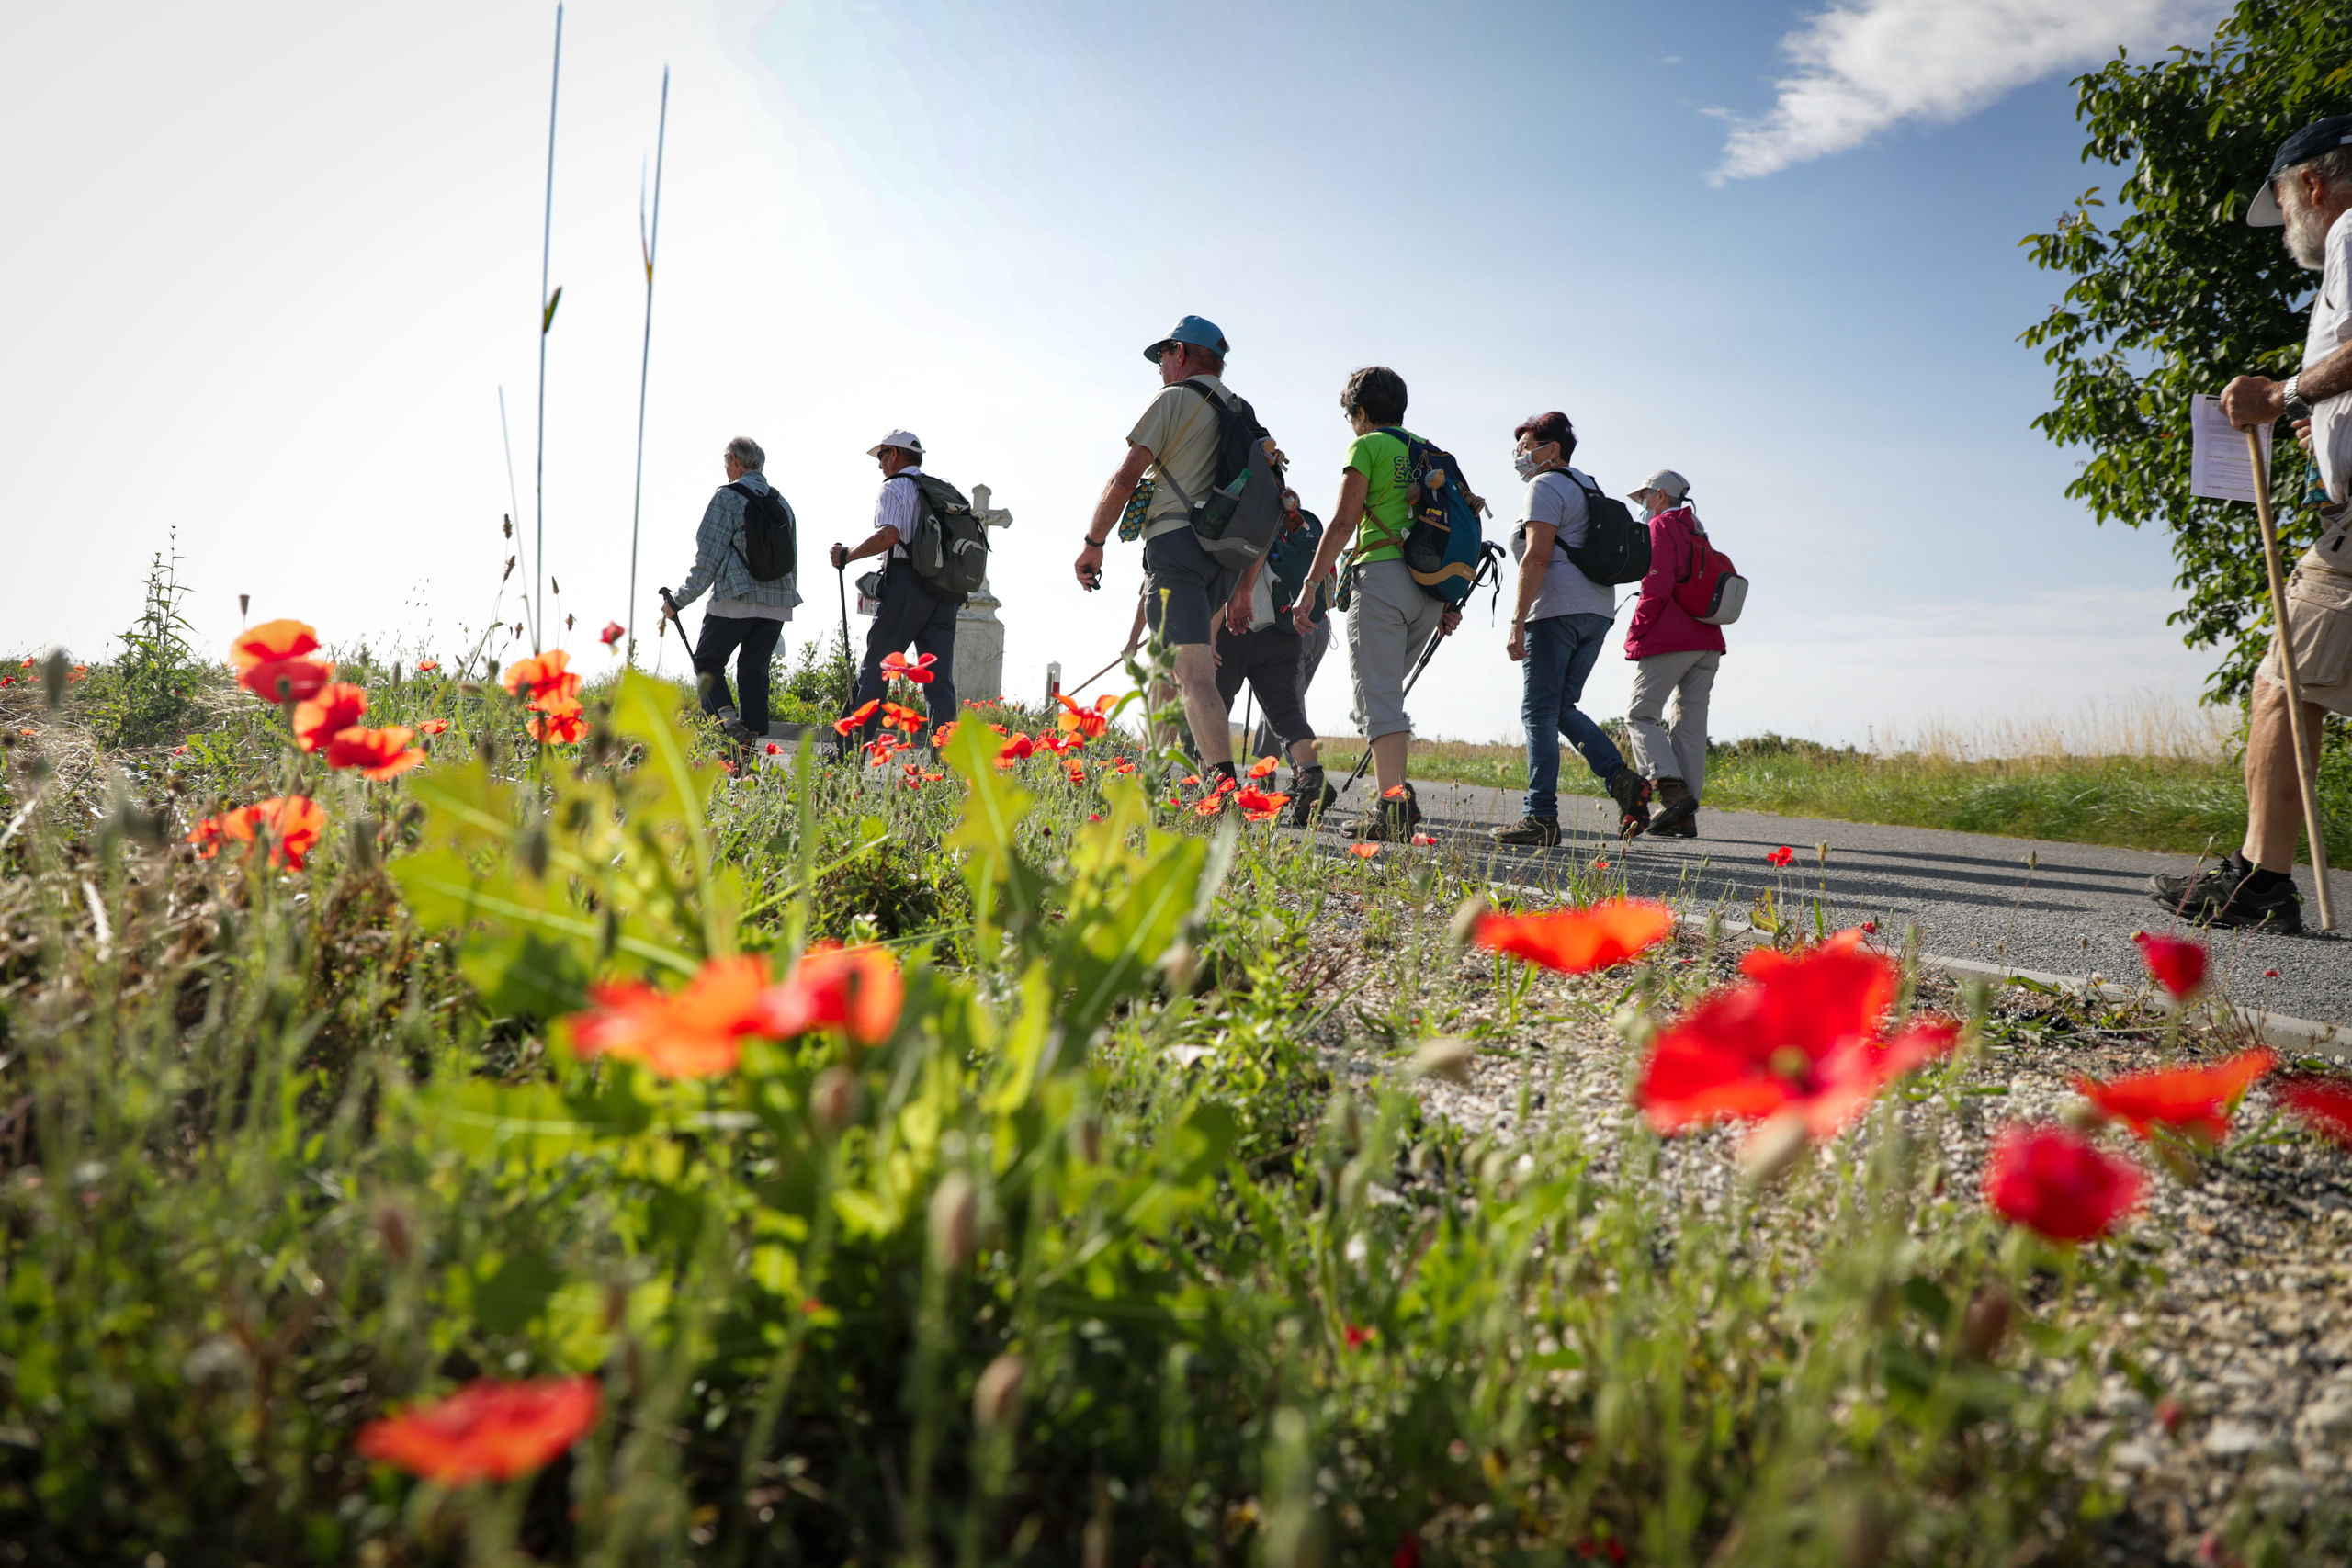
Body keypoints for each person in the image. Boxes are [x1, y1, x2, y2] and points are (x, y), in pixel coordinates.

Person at [2151, 117, 2352, 934]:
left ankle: (2260, 882)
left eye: (2283, 199)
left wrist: (2283, 394)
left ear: (2312, 182)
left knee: (2282, 683)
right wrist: (2324, 423)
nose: (2286, 221)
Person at [1074, 315, 1264, 791]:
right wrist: (1244, 586)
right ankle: (1172, 779)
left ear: (1180, 353)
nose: (1160, 367)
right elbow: (1269, 506)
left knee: (1192, 673)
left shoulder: (1174, 398)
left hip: (1177, 547)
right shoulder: (1242, 412)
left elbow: (1125, 478)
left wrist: (1093, 543)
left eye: (1162, 356)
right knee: (1178, 670)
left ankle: (1222, 791)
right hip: (1225, 557)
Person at [1292, 366, 1462, 841]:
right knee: (1385, 695)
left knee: (1378, 697)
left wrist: (1311, 586)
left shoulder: (1368, 446)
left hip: (1384, 577)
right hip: (1430, 588)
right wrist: (1450, 598)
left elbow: (1343, 522)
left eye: (1351, 416)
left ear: (1361, 413)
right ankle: (1395, 796)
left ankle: (1393, 807)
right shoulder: (1431, 452)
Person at [1490, 412, 1653, 846]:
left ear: (1553, 449)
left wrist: (1517, 621)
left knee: (1538, 711)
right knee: (1561, 706)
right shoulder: (1588, 484)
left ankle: (1540, 815)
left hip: (1556, 611)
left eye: (1526, 447)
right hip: (1597, 611)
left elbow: (1537, 557)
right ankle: (1621, 779)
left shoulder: (1544, 485)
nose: (1519, 455)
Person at [660, 435, 799, 743]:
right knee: (753, 671)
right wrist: (784, 603)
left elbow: (707, 562)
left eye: (726, 461)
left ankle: (728, 723)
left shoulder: (727, 497)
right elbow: (792, 560)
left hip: (736, 598)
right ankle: (748, 749)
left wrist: (678, 601)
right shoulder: (782, 503)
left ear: (734, 460)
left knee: (707, 663)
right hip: (778, 604)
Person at [1214, 488, 1334, 825]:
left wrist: (1208, 634)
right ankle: (1311, 774)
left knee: (1213, 704)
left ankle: (1216, 791)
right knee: (1285, 712)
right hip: (1285, 632)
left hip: (1236, 628)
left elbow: (1220, 581)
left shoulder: (1242, 521)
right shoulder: (1298, 532)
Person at [834, 430, 957, 745]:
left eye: (881, 456)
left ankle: (849, 753)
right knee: (939, 681)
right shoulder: (939, 490)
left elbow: (889, 535)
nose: (879, 464)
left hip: (906, 585)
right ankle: (947, 763)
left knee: (877, 669)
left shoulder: (895, 487)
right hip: (946, 592)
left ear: (895, 454)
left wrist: (848, 554)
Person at [1620, 469, 1724, 839]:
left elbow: (1657, 583)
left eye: (1644, 496)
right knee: (1690, 726)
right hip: (1708, 638)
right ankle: (1683, 816)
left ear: (1660, 496)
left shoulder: (1661, 526)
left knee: (1640, 714)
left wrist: (1637, 630)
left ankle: (1670, 790)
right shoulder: (1698, 531)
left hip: (1671, 636)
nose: (1642, 504)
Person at [1250, 488, 1334, 764]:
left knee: (1288, 703)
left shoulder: (1267, 535)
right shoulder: (1314, 536)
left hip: (1286, 628)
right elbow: (1331, 591)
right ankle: (1267, 765)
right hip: (1320, 627)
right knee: (1284, 699)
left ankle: (1303, 770)